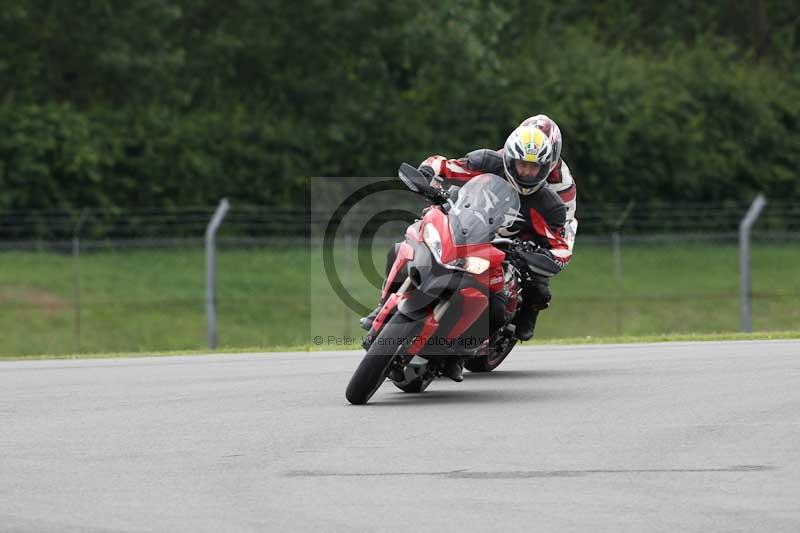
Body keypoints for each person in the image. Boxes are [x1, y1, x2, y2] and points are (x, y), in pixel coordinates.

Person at [361, 115, 578, 379]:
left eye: (534, 168)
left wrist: (541, 256)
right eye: (521, 164)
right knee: (403, 246)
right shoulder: (488, 161)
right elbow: (446, 165)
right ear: (510, 156)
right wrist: (430, 174)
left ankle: (460, 351)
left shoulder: (556, 197)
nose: (526, 172)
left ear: (547, 165)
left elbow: (562, 243)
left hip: (511, 246)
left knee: (505, 300)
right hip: (466, 226)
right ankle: (383, 303)